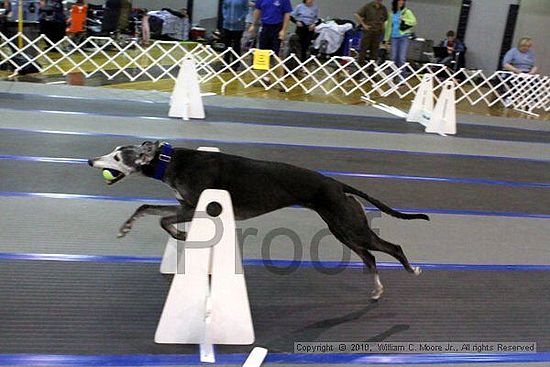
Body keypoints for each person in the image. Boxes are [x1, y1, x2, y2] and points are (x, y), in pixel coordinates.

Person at [384, 0, 416, 73]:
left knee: (401, 58)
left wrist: (404, 19)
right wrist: (386, 40)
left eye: (402, 2)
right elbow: (388, 27)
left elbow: (414, 21)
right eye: (399, 1)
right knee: (393, 57)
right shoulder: (391, 13)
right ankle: (392, 75)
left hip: (403, 36)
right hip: (393, 37)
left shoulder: (407, 12)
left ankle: (401, 77)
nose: (401, 3)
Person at [354, 0, 387, 66]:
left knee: (374, 53)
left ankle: (371, 72)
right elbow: (357, 14)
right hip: (368, 32)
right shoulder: (368, 6)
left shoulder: (383, 8)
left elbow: (384, 20)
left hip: (378, 32)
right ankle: (359, 72)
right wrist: (363, 25)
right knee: (363, 51)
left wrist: (384, 34)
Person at [222, 0, 248, 67]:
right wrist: (225, 16)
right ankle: (226, 62)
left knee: (236, 45)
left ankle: (236, 63)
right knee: (227, 44)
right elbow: (224, 7)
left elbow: (246, 10)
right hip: (227, 25)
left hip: (238, 26)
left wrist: (240, 18)